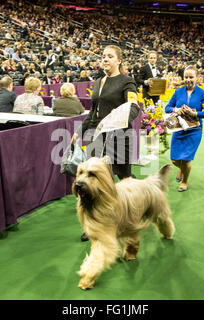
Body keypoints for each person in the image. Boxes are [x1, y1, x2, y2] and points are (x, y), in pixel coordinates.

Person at [71, 45, 140, 242]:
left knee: (125, 177)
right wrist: (80, 131)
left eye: (110, 57)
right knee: (94, 182)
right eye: (103, 56)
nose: (105, 60)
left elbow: (133, 106)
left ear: (119, 60)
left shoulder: (127, 81)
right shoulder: (98, 82)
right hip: (97, 138)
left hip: (119, 137)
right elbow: (94, 112)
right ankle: (93, 225)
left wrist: (119, 121)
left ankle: (133, 211)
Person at [165, 65, 204, 192]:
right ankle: (181, 169)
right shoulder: (178, 92)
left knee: (186, 160)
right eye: (186, 77)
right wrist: (176, 109)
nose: (188, 79)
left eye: (191, 77)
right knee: (175, 160)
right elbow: (167, 108)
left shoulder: (203, 94)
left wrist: (195, 114)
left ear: (197, 78)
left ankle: (185, 182)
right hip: (178, 130)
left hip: (194, 132)